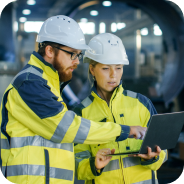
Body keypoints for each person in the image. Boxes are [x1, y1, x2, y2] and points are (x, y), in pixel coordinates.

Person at [0, 16, 146, 184]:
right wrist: (123, 130)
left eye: (78, 55)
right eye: (72, 54)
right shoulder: (29, 83)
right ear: (49, 51)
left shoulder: (48, 83)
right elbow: (66, 128)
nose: (77, 61)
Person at [74, 33, 168, 184]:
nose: (113, 75)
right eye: (105, 68)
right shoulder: (81, 113)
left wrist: (154, 157)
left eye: (118, 68)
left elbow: (163, 149)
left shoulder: (142, 104)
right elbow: (77, 163)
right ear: (92, 69)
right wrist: (94, 165)